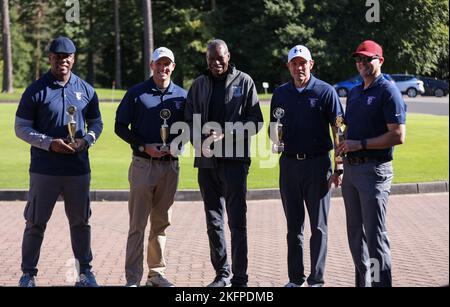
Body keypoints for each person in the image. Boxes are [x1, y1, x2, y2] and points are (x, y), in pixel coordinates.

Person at [15, 36, 103, 287]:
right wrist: (48, 142)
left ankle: (84, 272)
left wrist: (86, 140)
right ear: (50, 58)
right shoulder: (36, 89)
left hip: (77, 169)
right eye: (57, 57)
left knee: (81, 223)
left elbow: (97, 122)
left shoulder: (86, 89)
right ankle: (28, 274)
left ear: (73, 59)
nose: (62, 61)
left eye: (67, 57)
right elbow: (21, 127)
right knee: (35, 223)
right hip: (45, 169)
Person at [184, 39, 263, 287]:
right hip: (207, 162)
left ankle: (240, 277)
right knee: (213, 221)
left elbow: (256, 122)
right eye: (211, 59)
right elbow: (187, 120)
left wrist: (226, 134)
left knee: (237, 221)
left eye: (220, 57)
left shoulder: (244, 81)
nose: (216, 63)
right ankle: (222, 274)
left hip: (235, 162)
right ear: (206, 60)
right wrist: (199, 140)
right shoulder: (198, 85)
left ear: (228, 55)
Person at [270, 45, 344, 287]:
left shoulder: (325, 91)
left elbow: (339, 130)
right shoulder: (280, 93)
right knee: (294, 228)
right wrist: (274, 140)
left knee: (319, 227)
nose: (299, 67)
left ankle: (317, 279)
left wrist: (339, 166)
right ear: (288, 66)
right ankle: (295, 279)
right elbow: (274, 128)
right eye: (294, 63)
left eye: (303, 63)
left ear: (311, 64)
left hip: (318, 165)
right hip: (289, 165)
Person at [335, 40, 406, 287]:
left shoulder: (388, 91)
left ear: (380, 61)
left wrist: (361, 144)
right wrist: (341, 159)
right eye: (359, 59)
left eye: (368, 59)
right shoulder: (355, 92)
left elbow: (398, 135)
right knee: (356, 238)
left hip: (375, 172)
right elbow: (347, 130)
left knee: (375, 238)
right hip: (352, 171)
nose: (362, 63)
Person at [115, 47, 186, 287]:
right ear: (151, 65)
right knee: (137, 224)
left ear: (173, 67)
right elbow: (120, 126)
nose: (163, 68)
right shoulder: (136, 93)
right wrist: (144, 146)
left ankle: (156, 273)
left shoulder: (183, 97)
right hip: (143, 164)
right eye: (159, 64)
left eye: (167, 64)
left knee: (161, 223)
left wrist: (178, 143)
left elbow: (189, 128)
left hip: (170, 167)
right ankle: (133, 279)